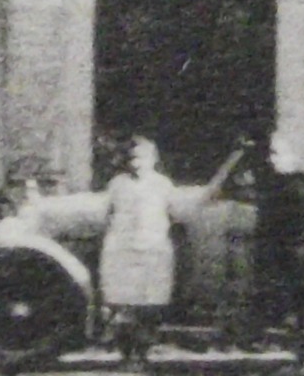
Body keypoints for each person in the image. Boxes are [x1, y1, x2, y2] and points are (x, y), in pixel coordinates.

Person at [100, 134, 244, 362]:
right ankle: (125, 354)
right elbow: (107, 216)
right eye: (132, 157)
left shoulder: (162, 185)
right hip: (122, 251)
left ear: (153, 159)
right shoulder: (117, 184)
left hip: (153, 251)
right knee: (124, 307)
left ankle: (143, 353)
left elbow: (181, 211)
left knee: (149, 308)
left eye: (142, 157)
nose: (136, 162)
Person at [250, 133, 304, 375]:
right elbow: (265, 223)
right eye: (269, 154)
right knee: (288, 306)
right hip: (280, 252)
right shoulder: (271, 183)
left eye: (276, 153)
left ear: (292, 155)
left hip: (303, 252)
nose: (271, 159)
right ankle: (297, 355)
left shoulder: (303, 184)